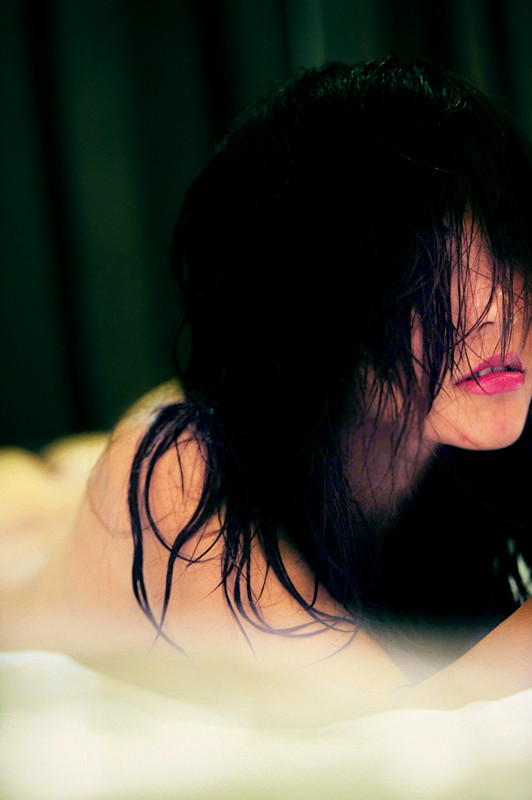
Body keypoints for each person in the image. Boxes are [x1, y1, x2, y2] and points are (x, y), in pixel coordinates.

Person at [2, 55, 532, 723]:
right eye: (420, 272)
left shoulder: (482, 393)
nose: (497, 312)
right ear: (313, 300)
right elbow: (382, 733)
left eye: (508, 247)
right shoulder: (178, 480)